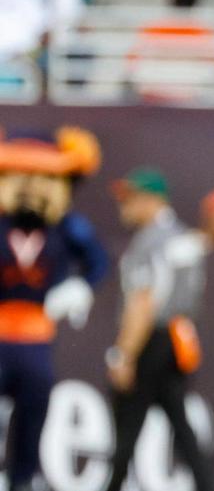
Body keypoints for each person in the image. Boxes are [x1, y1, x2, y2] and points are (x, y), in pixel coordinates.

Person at [0, 127, 106, 491]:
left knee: (33, 408)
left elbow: (98, 262)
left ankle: (22, 479)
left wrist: (78, 287)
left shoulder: (66, 228)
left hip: (36, 333)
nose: (31, 186)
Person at [104, 167, 213, 491]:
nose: (123, 206)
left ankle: (111, 487)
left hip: (152, 340)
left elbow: (144, 301)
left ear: (151, 200)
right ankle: (208, 485)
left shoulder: (150, 240)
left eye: (130, 199)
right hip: (179, 340)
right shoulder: (183, 236)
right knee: (180, 425)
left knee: (127, 425)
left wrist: (123, 354)